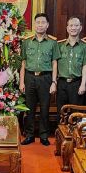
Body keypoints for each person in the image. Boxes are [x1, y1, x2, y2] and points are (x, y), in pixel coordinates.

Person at [19, 13, 60, 146]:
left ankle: (44, 135)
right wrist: (21, 82)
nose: (40, 25)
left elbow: (54, 63)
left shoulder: (53, 42)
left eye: (43, 22)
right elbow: (23, 63)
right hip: (30, 77)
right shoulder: (27, 42)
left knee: (44, 108)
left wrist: (54, 82)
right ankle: (29, 135)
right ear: (34, 25)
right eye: (38, 22)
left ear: (47, 25)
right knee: (29, 108)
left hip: (45, 78)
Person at [56, 17, 86, 116]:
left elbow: (85, 66)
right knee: (61, 113)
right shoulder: (59, 45)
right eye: (71, 25)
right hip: (62, 83)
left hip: (76, 83)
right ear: (67, 28)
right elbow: (54, 64)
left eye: (76, 25)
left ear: (80, 28)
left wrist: (83, 84)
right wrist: (54, 82)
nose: (73, 28)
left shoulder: (85, 46)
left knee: (76, 113)